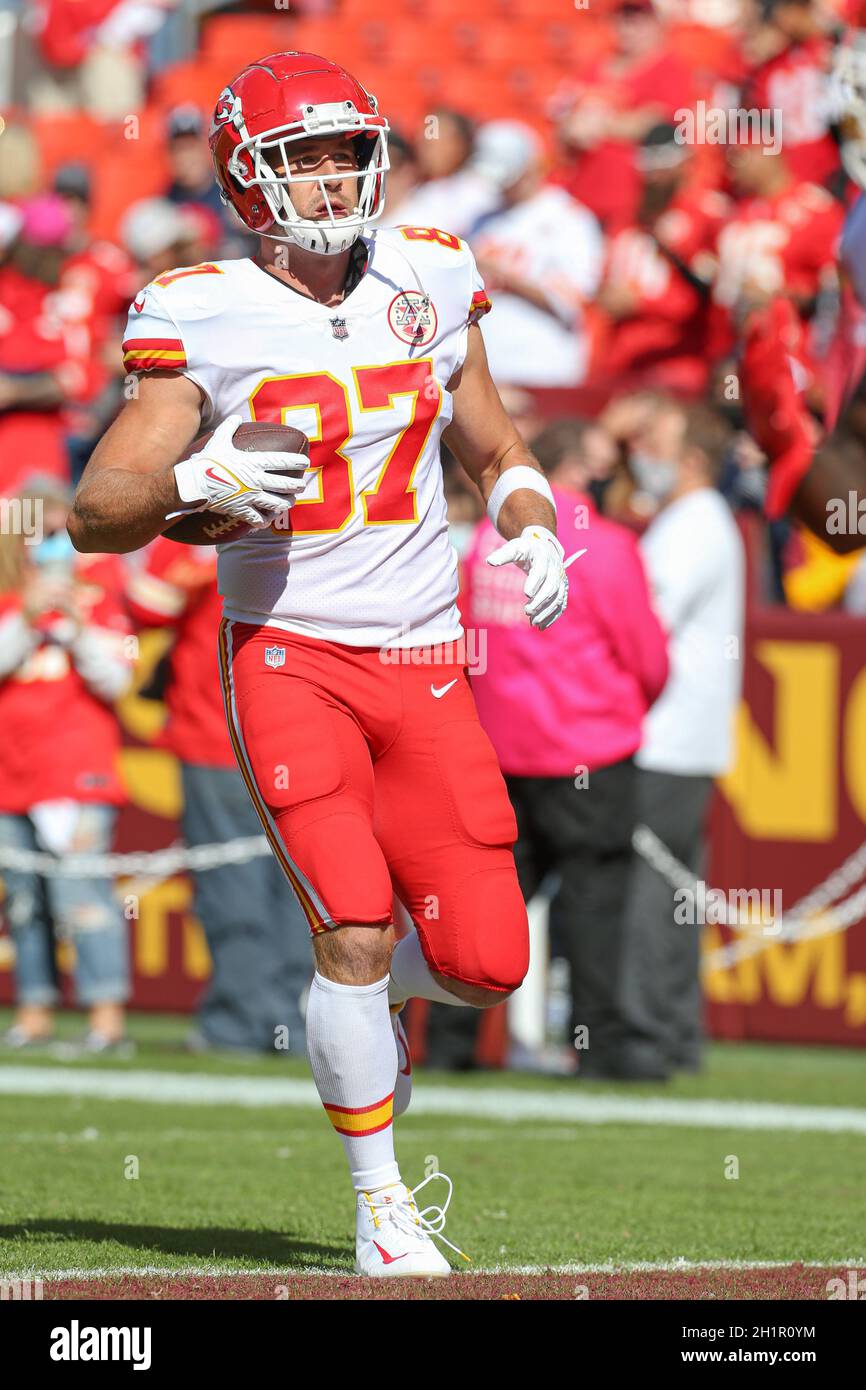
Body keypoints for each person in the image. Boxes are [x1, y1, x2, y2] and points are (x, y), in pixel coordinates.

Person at [68, 52, 570, 1277]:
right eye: (305, 155)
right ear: (248, 176)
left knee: (485, 963)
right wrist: (195, 482)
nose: (335, 174)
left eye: (348, 148)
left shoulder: (436, 271)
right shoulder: (196, 306)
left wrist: (530, 510)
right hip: (292, 655)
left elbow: (486, 430)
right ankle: (380, 1198)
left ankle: (356, 1006)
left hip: (427, 655)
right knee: (349, 926)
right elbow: (96, 509)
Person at [461, 419, 669, 1079]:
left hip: (499, 749)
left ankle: (446, 1040)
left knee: (479, 910)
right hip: (588, 751)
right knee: (594, 912)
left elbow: (467, 642)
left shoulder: (480, 548)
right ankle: (600, 1050)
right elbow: (648, 658)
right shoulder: (607, 548)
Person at [126, 538, 314, 1055]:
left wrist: (197, 543)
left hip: (220, 735)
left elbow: (146, 604)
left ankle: (239, 1024)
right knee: (300, 890)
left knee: (233, 888)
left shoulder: (209, 514)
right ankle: (288, 1023)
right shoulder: (325, 512)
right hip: (307, 737)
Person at [617, 403, 745, 1079]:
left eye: (657, 440)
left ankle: (647, 1037)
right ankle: (668, 1035)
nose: (644, 452)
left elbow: (644, 620)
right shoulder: (694, 523)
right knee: (668, 898)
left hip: (666, 739)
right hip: (681, 738)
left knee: (650, 899)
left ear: (691, 458)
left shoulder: (694, 526)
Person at [0, 477, 133, 1051]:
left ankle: (106, 1017)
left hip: (76, 768)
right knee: (22, 898)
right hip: (10, 769)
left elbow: (118, 679)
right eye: (40, 530)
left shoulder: (100, 589)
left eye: (59, 530)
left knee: (81, 897)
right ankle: (34, 1013)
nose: (49, 542)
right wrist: (27, 619)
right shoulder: (8, 591)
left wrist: (76, 630)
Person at [468, 121, 603, 388]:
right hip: (488, 370)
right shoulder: (480, 219)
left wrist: (504, 276)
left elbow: (571, 301)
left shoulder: (569, 218)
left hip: (542, 366)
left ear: (531, 166)